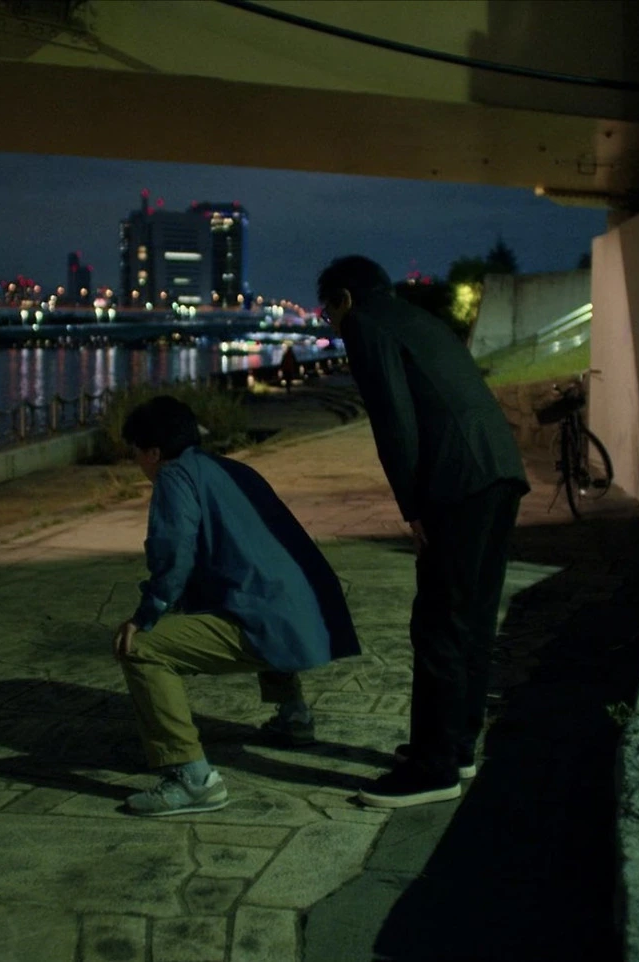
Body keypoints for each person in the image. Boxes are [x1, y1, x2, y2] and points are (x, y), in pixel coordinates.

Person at [317, 255, 529, 809]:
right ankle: (455, 745)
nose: (330, 325)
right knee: (472, 619)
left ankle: (433, 770)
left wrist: (412, 506)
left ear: (344, 299)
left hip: (456, 482)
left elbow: (394, 420)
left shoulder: (366, 324)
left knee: (438, 623)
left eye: (327, 313)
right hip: (499, 472)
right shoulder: (418, 320)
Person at [114, 395, 359, 816]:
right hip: (309, 610)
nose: (137, 463)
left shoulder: (173, 477)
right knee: (255, 590)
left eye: (135, 453)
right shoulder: (232, 469)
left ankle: (192, 778)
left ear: (153, 452)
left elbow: (173, 555)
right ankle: (293, 715)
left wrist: (145, 616)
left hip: (267, 618)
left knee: (140, 648)